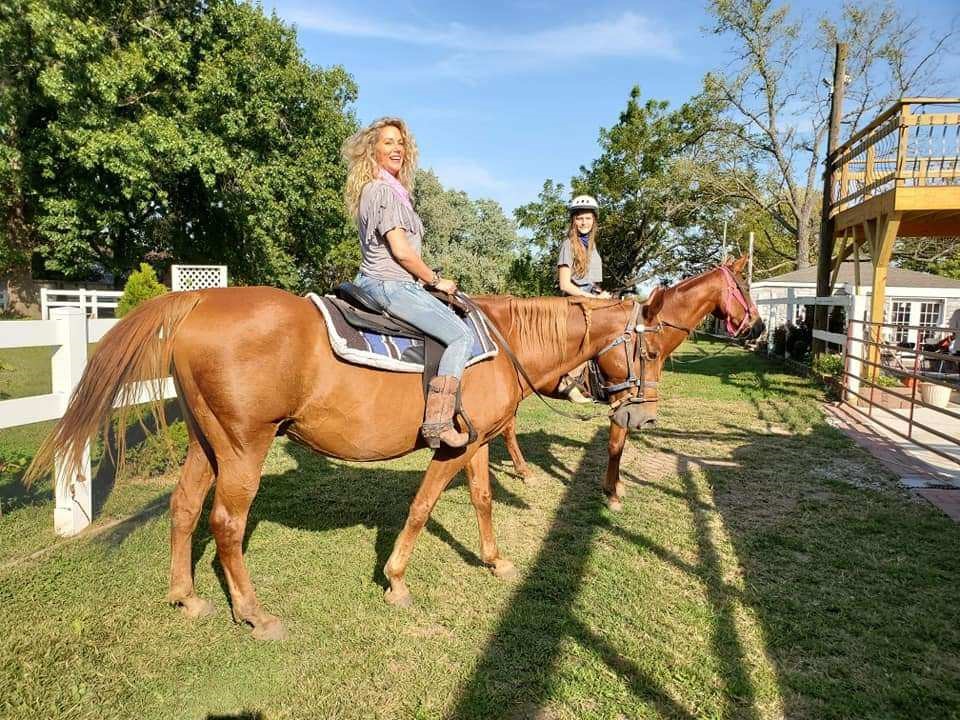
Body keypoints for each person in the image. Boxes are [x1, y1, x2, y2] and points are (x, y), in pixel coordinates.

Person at [342, 117, 472, 448]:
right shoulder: (384, 191)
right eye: (387, 142)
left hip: (385, 282)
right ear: (372, 150)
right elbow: (401, 251)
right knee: (460, 335)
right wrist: (436, 280)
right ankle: (439, 420)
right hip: (391, 285)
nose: (396, 148)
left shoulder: (382, 190)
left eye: (400, 143)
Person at [556, 194, 610, 402]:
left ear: (594, 220)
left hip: (589, 298)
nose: (583, 222)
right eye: (579, 218)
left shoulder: (592, 247)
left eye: (587, 218)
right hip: (573, 301)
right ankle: (568, 381)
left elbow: (592, 282)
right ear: (573, 221)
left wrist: (600, 294)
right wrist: (591, 297)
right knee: (593, 334)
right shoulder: (568, 246)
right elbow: (565, 284)